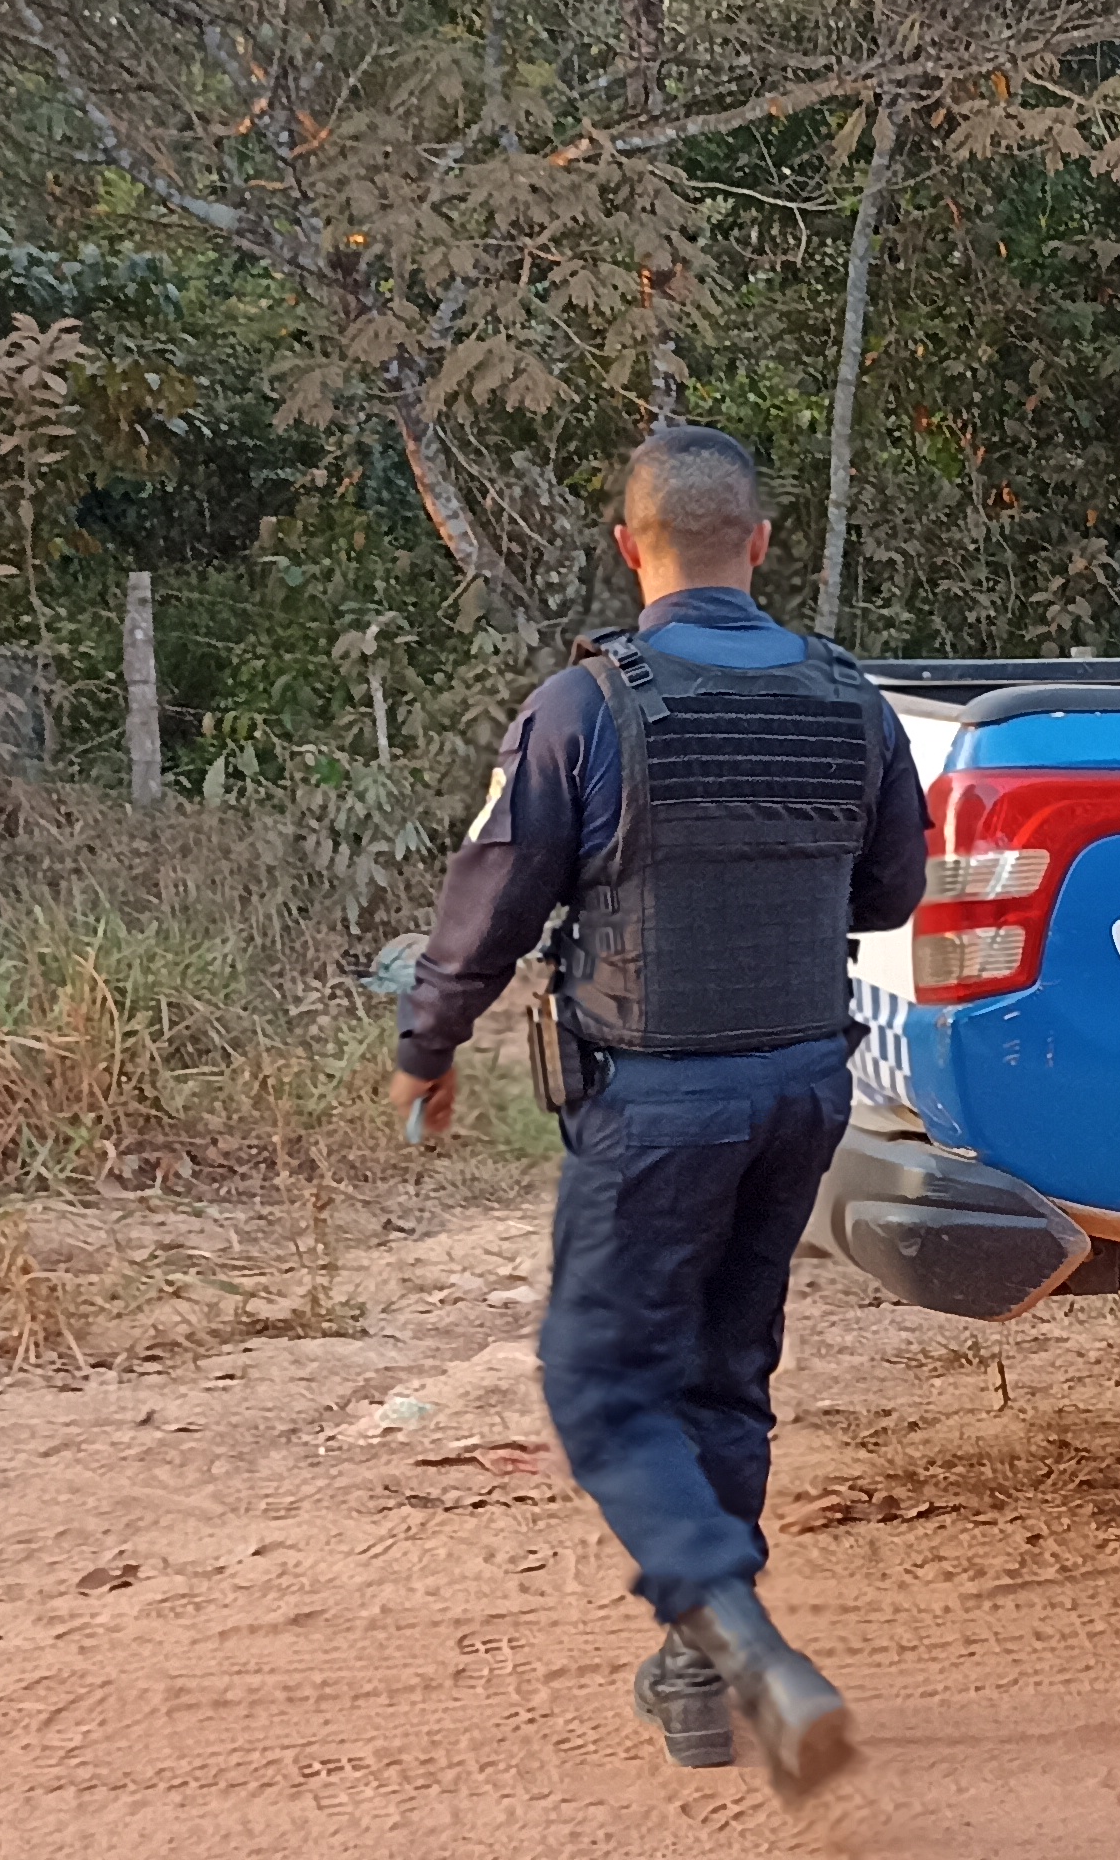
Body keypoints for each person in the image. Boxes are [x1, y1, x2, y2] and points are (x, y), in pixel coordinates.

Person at [389, 424, 926, 1800]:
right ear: (756, 545)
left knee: (602, 1378)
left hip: (657, 1102)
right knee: (725, 1371)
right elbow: (889, 896)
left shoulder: (587, 708)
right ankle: (699, 1676)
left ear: (631, 549)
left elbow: (496, 899)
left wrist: (426, 1048)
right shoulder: (846, 697)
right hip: (803, 1089)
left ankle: (740, 1634)